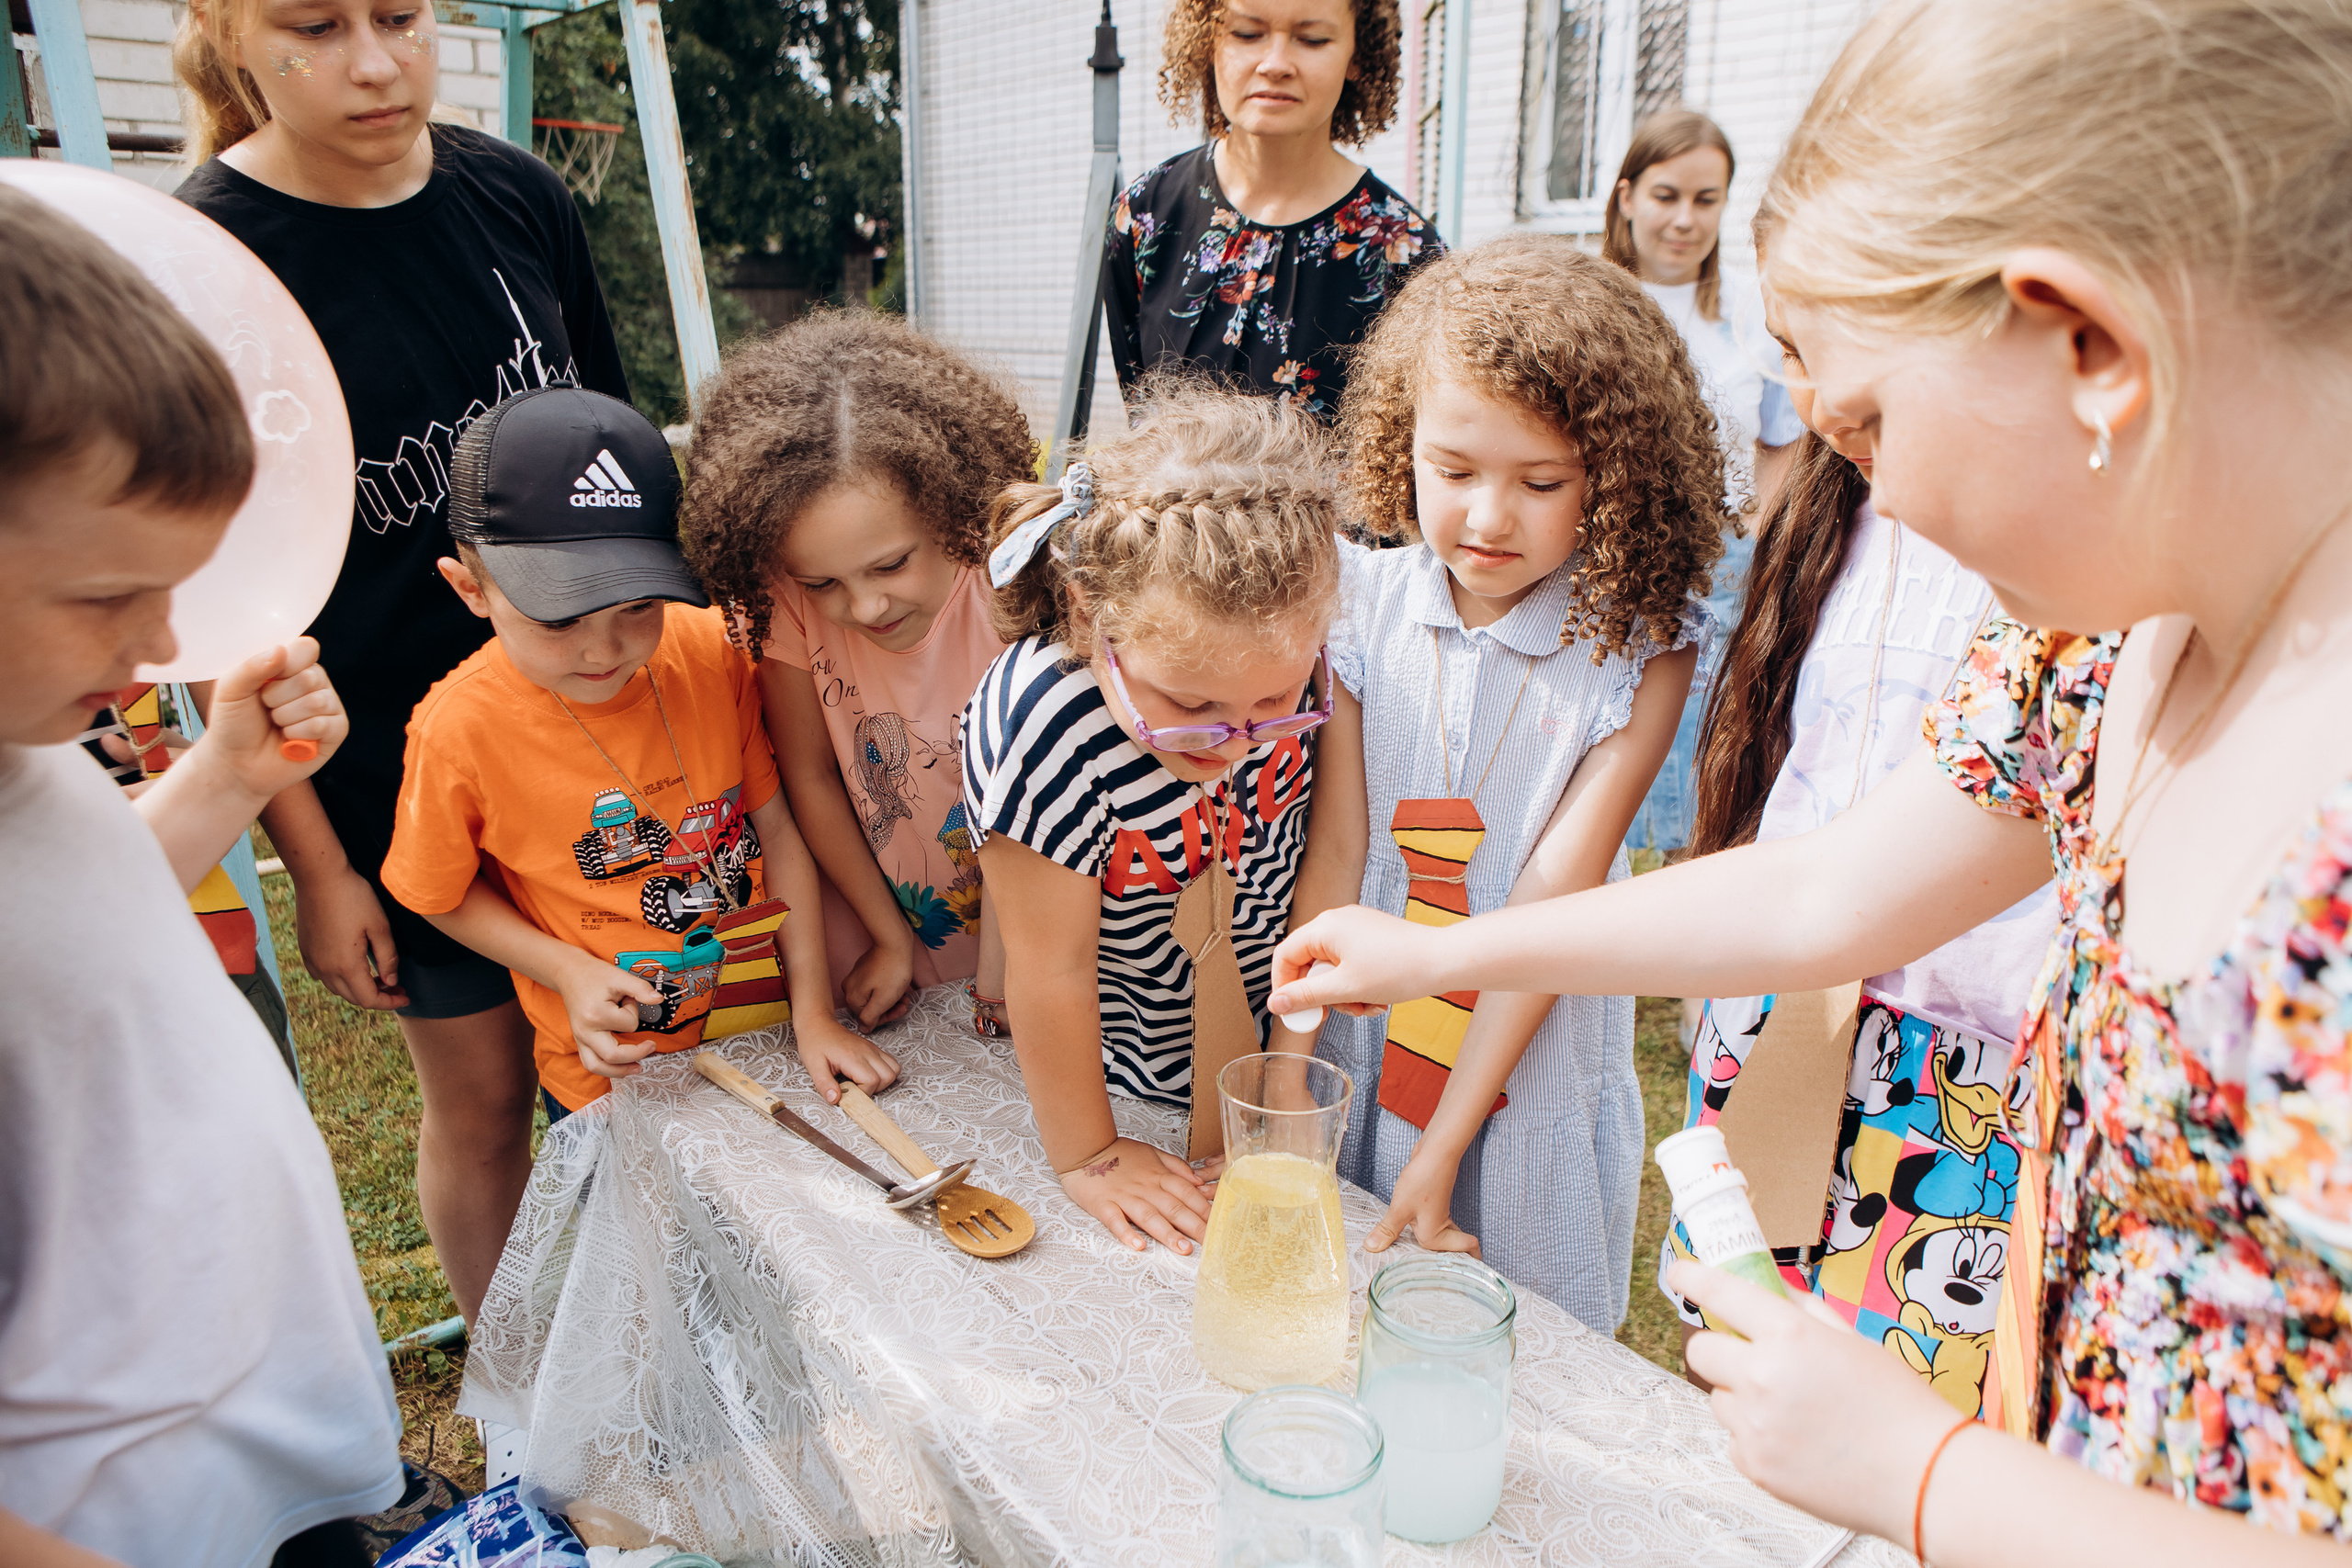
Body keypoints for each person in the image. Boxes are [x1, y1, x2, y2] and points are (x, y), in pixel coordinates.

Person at [1272, 0, 2352, 1556]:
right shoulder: (2102, 646)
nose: (1872, 492)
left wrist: (1928, 1479)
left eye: (1870, 420)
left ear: (2092, 344)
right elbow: (1830, 890)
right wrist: (1446, 952)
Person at [175, 0, 631, 1322]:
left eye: (402, 16)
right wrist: (322, 868)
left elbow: (612, 461)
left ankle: (653, 1358)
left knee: (629, 1073)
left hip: (594, 744)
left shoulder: (521, 198)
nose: (376, 64)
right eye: (315, 25)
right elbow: (225, 623)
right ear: (230, 33)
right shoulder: (210, 265)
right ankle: (511, 1383)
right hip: (390, 775)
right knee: (485, 1098)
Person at [0, 185, 401, 1568]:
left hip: (249, 1456)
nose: (166, 634)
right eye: (109, 594)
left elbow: (78, 922)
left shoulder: (26, 737)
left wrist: (224, 780)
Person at [1290, 235, 1723, 1331]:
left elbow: (1552, 902)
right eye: (1454, 472)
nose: (1487, 519)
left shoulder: (1638, 649)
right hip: (1369, 1022)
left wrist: (1440, 1148)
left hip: (1523, 1055)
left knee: (1506, 1337)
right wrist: (1292, 1074)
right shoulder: (1353, 605)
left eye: (1540, 483)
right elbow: (1337, 853)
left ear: (1616, 480)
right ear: (1403, 445)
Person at [1659, 323, 2059, 1416]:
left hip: (1962, 1063)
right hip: (1785, 1006)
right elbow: (1786, 753)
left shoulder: (2062, 552)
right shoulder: (1839, 503)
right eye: (1781, 343)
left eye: (1817, 336)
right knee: (1736, 1372)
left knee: (1909, 1413)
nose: (1802, 388)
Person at [379, 389, 899, 1120]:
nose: (603, 648)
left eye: (638, 605)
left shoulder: (710, 649)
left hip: (768, 1037)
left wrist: (813, 1011)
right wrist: (563, 968)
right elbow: (434, 891)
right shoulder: (457, 729)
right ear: (470, 588)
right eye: (559, 617)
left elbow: (775, 829)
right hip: (609, 1072)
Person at [964, 386, 1340, 1255]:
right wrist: (1091, 1154)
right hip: (1121, 1076)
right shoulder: (1044, 729)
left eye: (1273, 704)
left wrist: (1282, 1066)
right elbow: (1049, 970)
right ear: (1092, 617)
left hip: (1263, 1052)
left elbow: (1324, 853)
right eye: (1192, 704)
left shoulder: (1302, 656)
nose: (1237, 742)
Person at [680, 313, 1033, 1036]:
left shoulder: (1017, 581)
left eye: (892, 564)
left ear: (951, 501)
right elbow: (805, 773)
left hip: (1031, 933)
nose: (864, 605)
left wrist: (1003, 971)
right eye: (822, 582)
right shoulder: (781, 603)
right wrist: (889, 934)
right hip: (877, 919)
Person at [1608, 108, 1804, 854]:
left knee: (1706, 769)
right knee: (1614, 758)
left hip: (1721, 571)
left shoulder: (1752, 313)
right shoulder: (1595, 301)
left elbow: (1783, 438)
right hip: (1612, 567)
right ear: (1627, 197)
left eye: (1706, 199)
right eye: (1666, 196)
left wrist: (1754, 535)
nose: (1685, 219)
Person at [1103, 0, 1439, 421]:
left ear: (1358, 56)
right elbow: (1140, 410)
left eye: (1312, 39)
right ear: (1208, 42)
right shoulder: (1145, 213)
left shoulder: (1408, 255)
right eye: (1246, 34)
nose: (1275, 63)